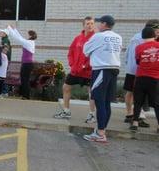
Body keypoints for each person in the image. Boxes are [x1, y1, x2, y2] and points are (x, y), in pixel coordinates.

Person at [82, 15, 122, 143]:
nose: (97, 25)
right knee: (106, 102)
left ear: (104, 24)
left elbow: (85, 50)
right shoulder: (118, 37)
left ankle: (100, 133)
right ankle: (102, 130)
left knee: (99, 101)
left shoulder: (98, 36)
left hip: (101, 69)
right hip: (114, 69)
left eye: (99, 22)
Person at [54, 16, 96, 122]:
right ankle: (66, 111)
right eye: (88, 24)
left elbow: (96, 55)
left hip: (88, 72)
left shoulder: (96, 38)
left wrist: (86, 66)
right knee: (66, 87)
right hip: (75, 71)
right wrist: (72, 64)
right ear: (83, 25)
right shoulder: (78, 38)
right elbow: (71, 52)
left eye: (92, 23)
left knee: (92, 92)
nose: (90, 26)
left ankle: (92, 114)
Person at [123, 19, 159, 126]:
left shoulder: (139, 36)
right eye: (157, 31)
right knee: (134, 93)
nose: (158, 33)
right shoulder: (141, 39)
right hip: (137, 70)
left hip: (135, 69)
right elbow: (138, 55)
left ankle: (134, 115)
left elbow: (129, 53)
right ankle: (133, 115)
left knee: (134, 93)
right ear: (152, 29)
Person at [4, 26, 37, 99]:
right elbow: (20, 38)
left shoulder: (28, 43)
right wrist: (14, 29)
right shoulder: (30, 42)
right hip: (27, 64)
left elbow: (18, 38)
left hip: (27, 64)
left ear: (30, 35)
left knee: (25, 80)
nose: (26, 35)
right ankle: (24, 95)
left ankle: (26, 96)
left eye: (27, 34)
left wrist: (9, 29)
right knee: (24, 79)